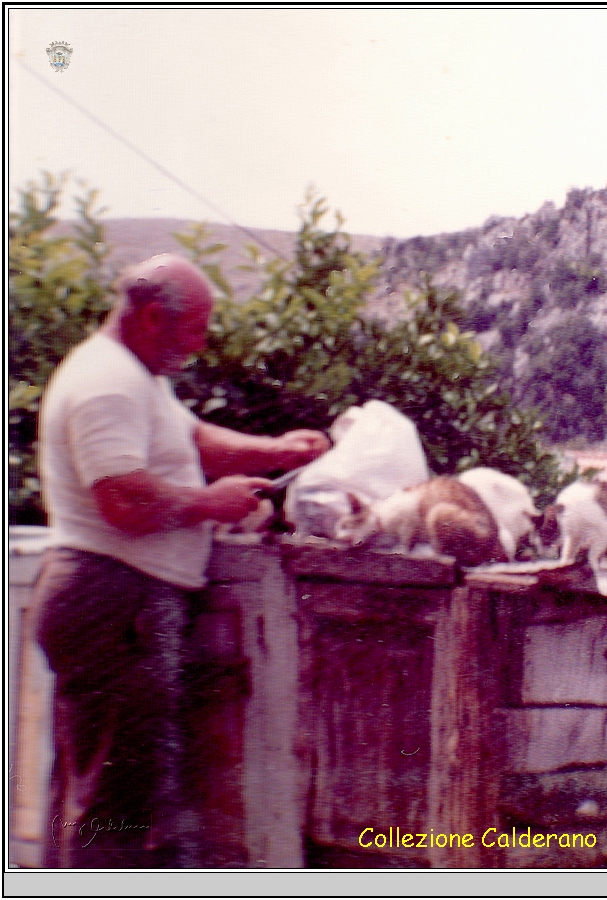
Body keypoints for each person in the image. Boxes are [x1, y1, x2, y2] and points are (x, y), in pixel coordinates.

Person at [31, 254, 329, 867]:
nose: (200, 342)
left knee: (113, 793)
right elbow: (120, 496)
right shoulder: (106, 382)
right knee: (115, 806)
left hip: (123, 603)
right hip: (114, 600)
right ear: (147, 318)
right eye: (193, 326)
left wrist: (276, 451)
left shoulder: (139, 377)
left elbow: (190, 439)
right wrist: (206, 503)